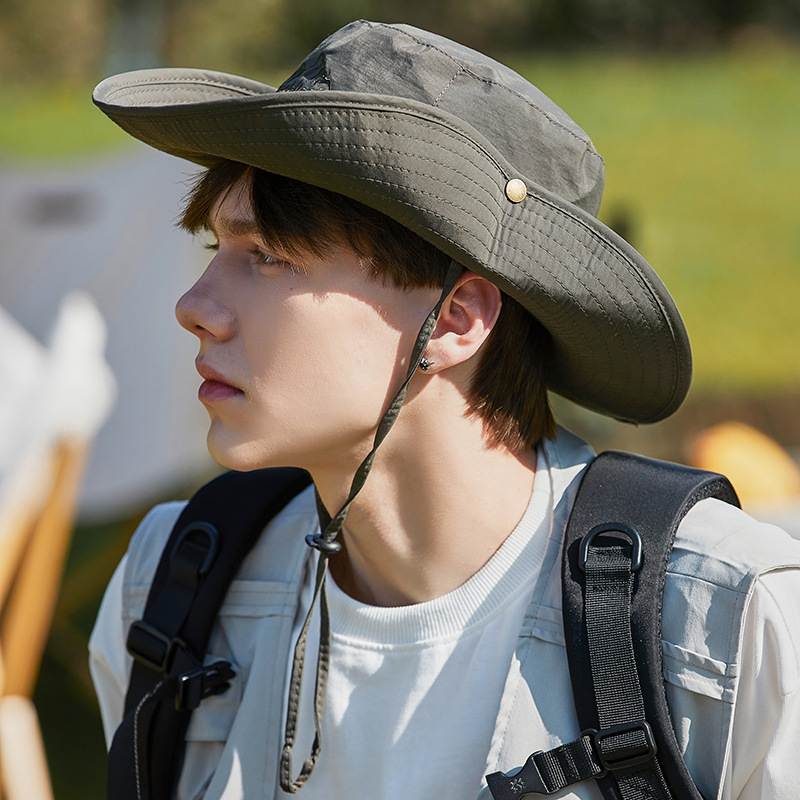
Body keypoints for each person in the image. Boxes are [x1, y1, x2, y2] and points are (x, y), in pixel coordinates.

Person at [89, 19, 800, 800]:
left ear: (455, 320)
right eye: (213, 250)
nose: (195, 307)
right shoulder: (173, 589)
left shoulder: (725, 625)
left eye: (267, 256)